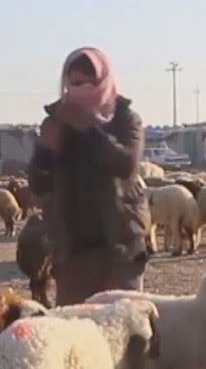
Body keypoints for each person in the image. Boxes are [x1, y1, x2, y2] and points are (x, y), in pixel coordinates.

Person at [29, 46, 148, 305]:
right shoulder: (56, 122)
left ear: (103, 80)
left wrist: (88, 126)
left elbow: (126, 164)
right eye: (75, 83)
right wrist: (45, 154)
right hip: (73, 251)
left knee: (122, 320)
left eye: (90, 83)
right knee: (75, 324)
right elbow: (39, 185)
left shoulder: (125, 119)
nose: (82, 90)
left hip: (120, 247)